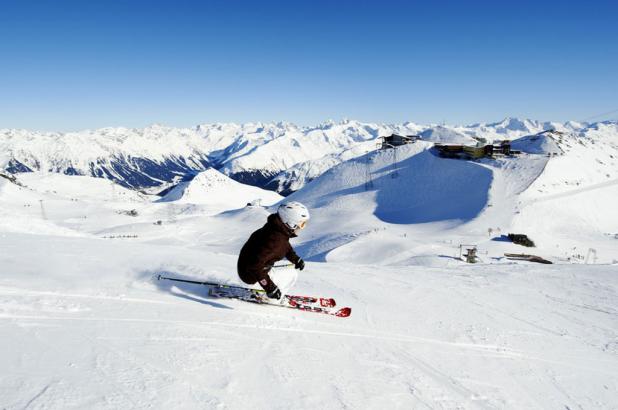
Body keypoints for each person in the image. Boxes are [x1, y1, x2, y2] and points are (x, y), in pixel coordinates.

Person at [237, 202, 309, 300]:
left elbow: (284, 245)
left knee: (287, 268)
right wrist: (270, 289)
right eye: (302, 223)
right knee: (292, 274)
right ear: (291, 223)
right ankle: (272, 298)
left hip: (246, 269)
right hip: (250, 276)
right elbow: (254, 266)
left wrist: (295, 259)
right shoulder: (275, 241)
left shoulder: (276, 229)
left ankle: (269, 291)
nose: (302, 227)